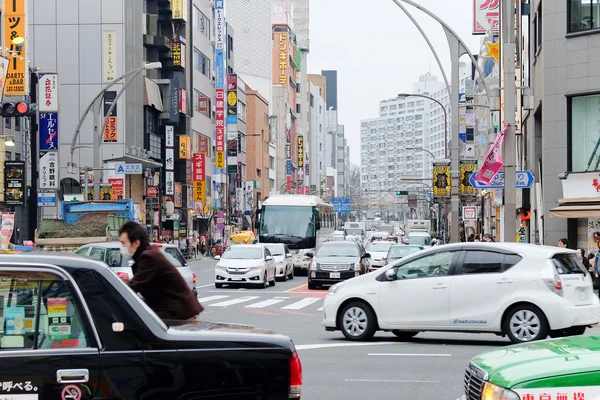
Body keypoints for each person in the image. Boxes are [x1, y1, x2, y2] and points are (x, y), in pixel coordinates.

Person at [119, 221, 204, 321]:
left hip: (179, 314)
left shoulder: (148, 258)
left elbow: (133, 286)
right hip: (170, 312)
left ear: (136, 243)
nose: (122, 247)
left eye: (124, 243)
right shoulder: (147, 255)